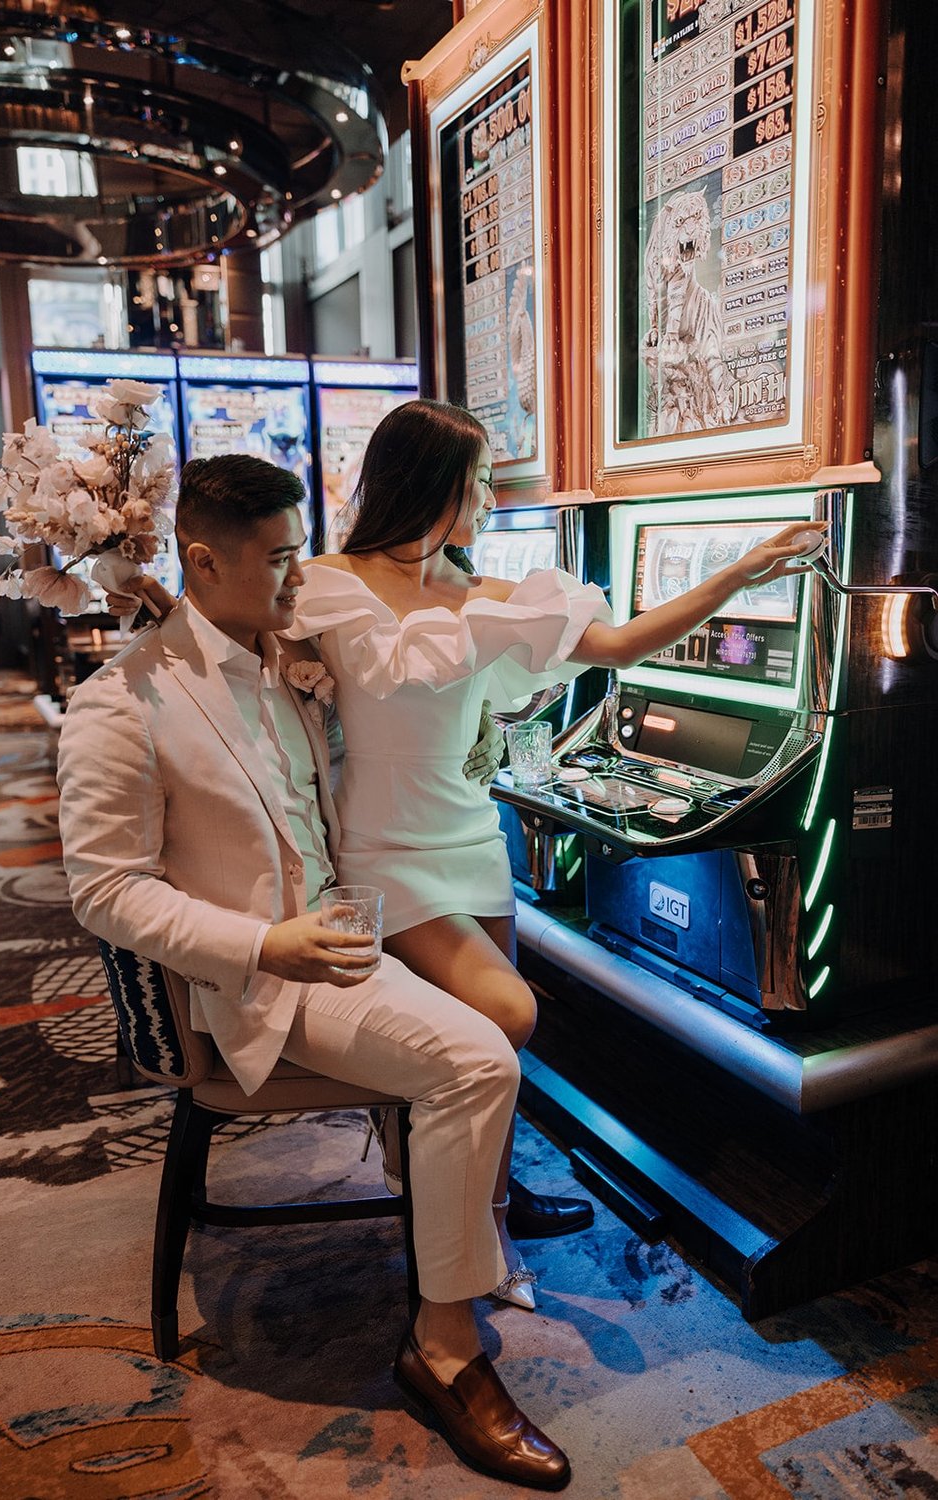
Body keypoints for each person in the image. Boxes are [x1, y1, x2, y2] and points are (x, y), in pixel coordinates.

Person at [58, 454, 572, 1491]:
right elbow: (105, 892)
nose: (303, 582)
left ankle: (448, 1202)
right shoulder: (121, 703)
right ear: (202, 560)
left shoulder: (284, 651)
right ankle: (444, 1348)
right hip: (256, 975)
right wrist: (263, 945)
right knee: (480, 1062)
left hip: (342, 937)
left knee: (502, 1016)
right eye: (283, 562)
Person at [276, 399, 824, 1303]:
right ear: (433, 486)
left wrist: (738, 573)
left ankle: (481, 1217)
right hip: (379, 848)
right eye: (481, 481)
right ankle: (455, 1211)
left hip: (468, 835)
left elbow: (617, 645)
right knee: (510, 1012)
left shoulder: (482, 593)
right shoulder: (327, 584)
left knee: (494, 1047)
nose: (492, 499)